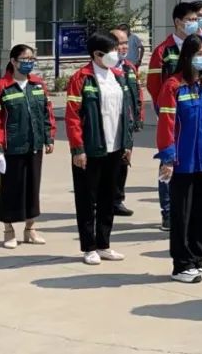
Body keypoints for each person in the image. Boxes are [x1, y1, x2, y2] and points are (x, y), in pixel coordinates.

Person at [156, 33, 202, 283]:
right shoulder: (173, 86)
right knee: (182, 213)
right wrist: (168, 157)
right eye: (198, 54)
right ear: (187, 56)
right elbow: (166, 124)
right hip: (182, 161)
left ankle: (200, 259)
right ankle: (182, 264)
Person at [65, 32, 137, 265]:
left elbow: (126, 112)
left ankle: (104, 244)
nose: (117, 53)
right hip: (91, 148)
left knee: (108, 198)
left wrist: (127, 143)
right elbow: (73, 116)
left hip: (115, 147)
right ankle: (89, 247)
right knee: (87, 199)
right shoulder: (81, 78)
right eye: (112, 50)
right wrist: (78, 149)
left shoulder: (118, 76)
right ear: (97, 54)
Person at [0, 44, 55, 249]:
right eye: (24, 59)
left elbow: (47, 113)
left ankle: (30, 229)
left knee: (32, 187)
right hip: (12, 147)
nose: (29, 63)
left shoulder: (38, 85)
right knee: (10, 188)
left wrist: (49, 137)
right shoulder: (2, 87)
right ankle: (8, 230)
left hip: (34, 144)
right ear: (13, 61)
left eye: (31, 59)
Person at [148, 0, 202, 231]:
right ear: (177, 22)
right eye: (190, 20)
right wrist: (164, 109)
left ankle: (190, 211)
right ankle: (168, 211)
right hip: (171, 112)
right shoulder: (164, 50)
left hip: (196, 112)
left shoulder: (201, 46)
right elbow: (154, 84)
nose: (195, 23)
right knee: (168, 158)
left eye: (196, 19)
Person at [110, 26, 145, 216]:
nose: (124, 47)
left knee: (124, 161)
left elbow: (137, 93)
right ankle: (101, 201)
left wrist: (138, 117)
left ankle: (117, 200)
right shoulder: (103, 68)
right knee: (107, 164)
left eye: (125, 43)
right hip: (109, 124)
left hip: (127, 124)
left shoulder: (129, 68)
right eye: (119, 43)